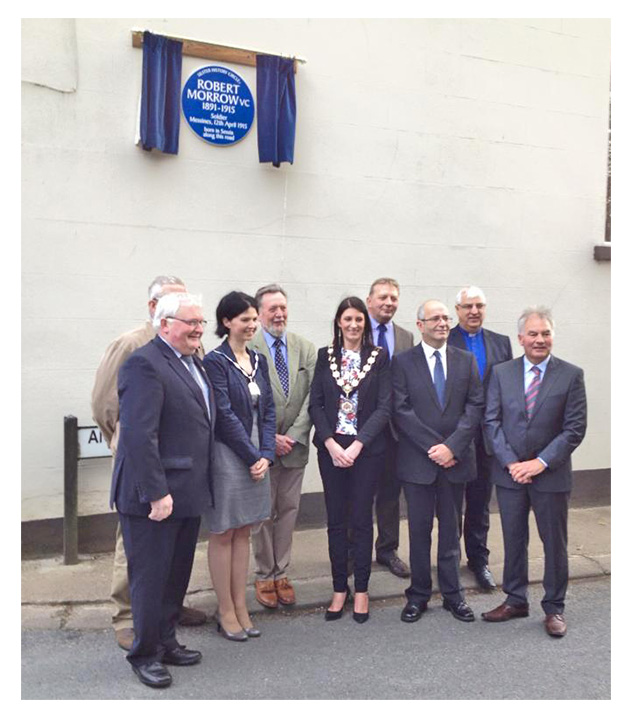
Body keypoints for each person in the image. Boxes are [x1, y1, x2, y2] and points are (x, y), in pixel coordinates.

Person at [91, 275, 207, 652]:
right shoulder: (135, 349)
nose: (196, 326)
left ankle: (164, 622)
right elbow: (107, 406)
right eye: (184, 314)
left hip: (180, 473)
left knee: (170, 558)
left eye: (197, 319)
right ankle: (130, 619)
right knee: (139, 553)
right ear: (158, 311)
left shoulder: (192, 350)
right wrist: (122, 444)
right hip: (145, 467)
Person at [111, 292, 214, 688]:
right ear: (165, 323)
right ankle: (144, 653)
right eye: (191, 323)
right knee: (150, 579)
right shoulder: (144, 364)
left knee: (175, 576)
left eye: (201, 323)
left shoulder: (191, 362)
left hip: (186, 492)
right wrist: (156, 492)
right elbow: (139, 435)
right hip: (154, 497)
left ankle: (167, 640)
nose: (199, 329)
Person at [482, 307, 587, 638]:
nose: (539, 340)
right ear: (520, 339)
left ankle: (554, 607)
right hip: (510, 474)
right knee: (514, 539)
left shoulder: (571, 375)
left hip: (550, 475)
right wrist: (512, 463)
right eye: (533, 334)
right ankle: (515, 600)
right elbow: (491, 421)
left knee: (553, 542)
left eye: (545, 334)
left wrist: (539, 463)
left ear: (552, 336)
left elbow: (574, 429)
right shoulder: (501, 373)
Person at [392, 299, 484, 624]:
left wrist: (453, 447)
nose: (443, 323)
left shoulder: (466, 360)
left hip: (454, 463)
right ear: (420, 325)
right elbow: (400, 410)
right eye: (435, 318)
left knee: (450, 532)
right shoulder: (403, 363)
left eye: (446, 318)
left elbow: (475, 406)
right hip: (419, 463)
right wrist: (436, 447)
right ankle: (418, 595)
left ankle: (453, 595)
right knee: (419, 532)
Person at [309, 297, 391, 623]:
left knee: (360, 519)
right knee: (336, 521)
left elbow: (385, 406)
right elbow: (315, 403)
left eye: (359, 319)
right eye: (348, 319)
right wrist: (330, 442)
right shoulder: (324, 356)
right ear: (338, 323)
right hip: (331, 450)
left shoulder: (378, 358)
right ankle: (339, 588)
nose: (354, 325)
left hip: (365, 450)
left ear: (365, 324)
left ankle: (362, 589)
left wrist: (357, 445)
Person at [202, 291, 276, 640]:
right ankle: (225, 610)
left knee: (245, 530)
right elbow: (225, 415)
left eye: (253, 319)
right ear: (227, 322)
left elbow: (270, 411)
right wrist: (252, 456)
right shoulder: (215, 361)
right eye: (244, 319)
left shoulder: (259, 360)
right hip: (229, 455)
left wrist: (266, 454)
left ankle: (241, 605)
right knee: (224, 531)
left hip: (257, 454)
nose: (251, 325)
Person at [249, 284, 316, 608]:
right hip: (262, 449)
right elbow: (242, 403)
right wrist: (268, 439)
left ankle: (282, 573)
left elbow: (312, 397)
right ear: (260, 313)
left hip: (296, 447)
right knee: (262, 514)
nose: (279, 314)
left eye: (283, 308)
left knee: (288, 511)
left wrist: (294, 435)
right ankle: (263, 574)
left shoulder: (305, 348)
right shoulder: (248, 347)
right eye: (272, 309)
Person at [447, 285, 513, 590]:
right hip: (455, 436)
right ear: (457, 311)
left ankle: (478, 560)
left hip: (488, 439)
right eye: (468, 306)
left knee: (480, 502)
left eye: (479, 306)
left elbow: (507, 392)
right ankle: (448, 559)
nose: (474, 311)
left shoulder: (501, 344)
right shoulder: (445, 339)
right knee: (450, 502)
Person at [365, 278, 413, 578]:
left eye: (394, 298)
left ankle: (387, 550)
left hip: (396, 430)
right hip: (362, 429)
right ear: (369, 300)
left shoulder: (406, 337)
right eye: (382, 297)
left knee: (390, 494)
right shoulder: (354, 330)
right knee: (357, 493)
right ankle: (352, 549)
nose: (388, 303)